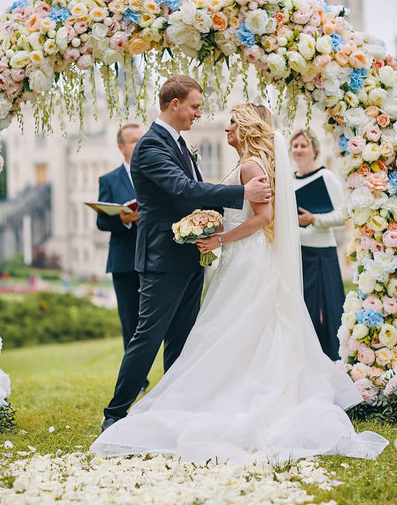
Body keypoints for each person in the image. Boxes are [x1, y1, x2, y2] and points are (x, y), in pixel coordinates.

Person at [91, 102, 387, 463]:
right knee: (239, 331)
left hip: (248, 258)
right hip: (243, 258)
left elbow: (263, 217)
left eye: (232, 123)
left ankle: (230, 398)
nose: (225, 128)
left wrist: (219, 240)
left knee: (231, 329)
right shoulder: (251, 163)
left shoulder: (250, 165)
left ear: (246, 127)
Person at [98, 77, 272, 432]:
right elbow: (183, 189)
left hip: (191, 256)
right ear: (174, 104)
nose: (199, 113)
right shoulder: (150, 146)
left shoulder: (177, 143)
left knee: (181, 338)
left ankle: (173, 409)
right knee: (148, 336)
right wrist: (241, 193)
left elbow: (192, 195)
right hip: (162, 259)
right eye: (194, 106)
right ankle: (115, 413)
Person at [96, 123, 149, 393]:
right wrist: (125, 220)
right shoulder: (108, 180)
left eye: (141, 140)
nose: (138, 144)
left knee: (150, 319)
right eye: (132, 141)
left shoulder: (153, 174)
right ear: (121, 147)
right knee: (130, 320)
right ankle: (137, 380)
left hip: (153, 257)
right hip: (124, 260)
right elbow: (101, 222)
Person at [290, 129, 346, 361]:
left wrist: (314, 219)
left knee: (329, 312)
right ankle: (309, 361)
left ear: (314, 149)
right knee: (306, 313)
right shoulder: (290, 182)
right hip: (299, 254)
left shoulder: (326, 177)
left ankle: (336, 359)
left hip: (323, 254)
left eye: (304, 145)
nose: (299, 150)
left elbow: (343, 214)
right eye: (295, 146)